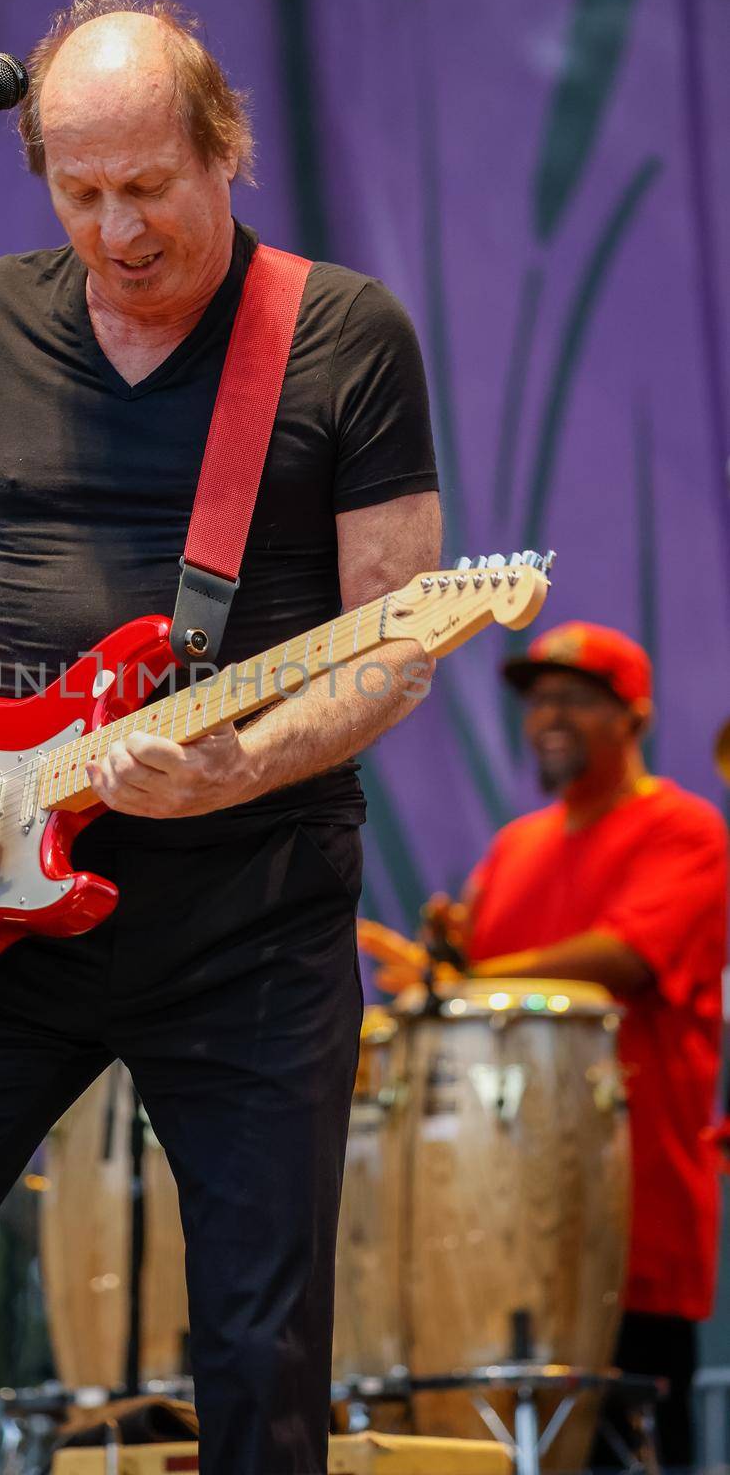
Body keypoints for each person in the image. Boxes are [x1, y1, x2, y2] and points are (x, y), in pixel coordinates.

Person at [0, 0, 441, 1475]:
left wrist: (232, 764)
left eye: (148, 189)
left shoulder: (339, 336)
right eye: (82, 190)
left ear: (221, 150)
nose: (116, 232)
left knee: (255, 1350)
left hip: (246, 916)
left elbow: (397, 646)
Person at [362, 621, 728, 1471]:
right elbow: (477, 992)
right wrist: (439, 966)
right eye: (534, 702)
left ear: (632, 716)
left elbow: (625, 956)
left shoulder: (683, 829)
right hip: (494, 1211)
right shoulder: (515, 848)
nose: (545, 717)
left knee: (626, 1439)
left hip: (631, 1197)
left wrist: (469, 974)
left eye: (573, 699)